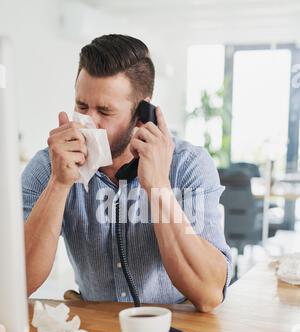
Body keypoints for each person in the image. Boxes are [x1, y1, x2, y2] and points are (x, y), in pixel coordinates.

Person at [22, 34, 231, 312]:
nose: (89, 123)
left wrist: (158, 188)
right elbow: (15, 282)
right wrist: (58, 184)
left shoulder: (189, 165)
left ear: (141, 113)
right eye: (82, 106)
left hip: (175, 330)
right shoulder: (48, 167)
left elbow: (209, 293)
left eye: (105, 111)